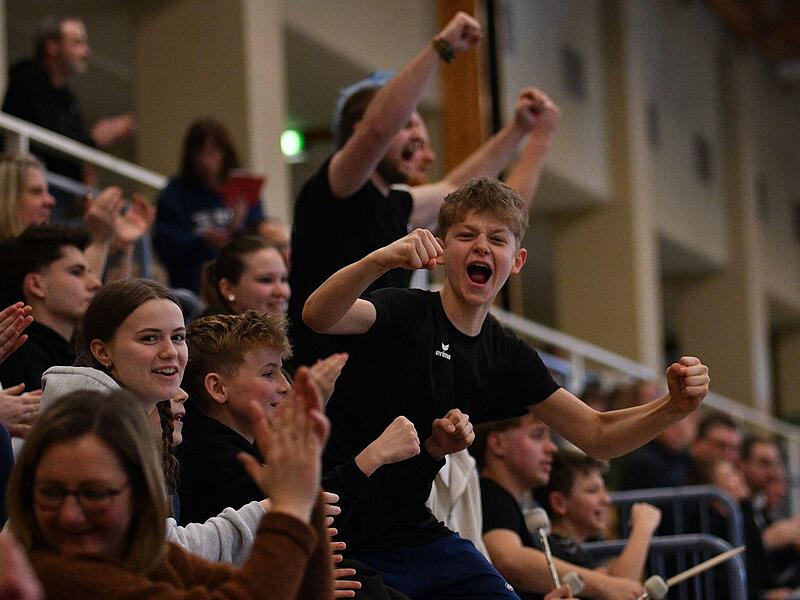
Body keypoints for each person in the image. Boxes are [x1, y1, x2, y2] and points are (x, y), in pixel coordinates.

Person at [302, 177, 710, 599]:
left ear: (517, 261)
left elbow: (597, 434)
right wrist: (381, 260)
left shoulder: (506, 355)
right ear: (442, 248)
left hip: (410, 531)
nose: (481, 246)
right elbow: (319, 315)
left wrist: (673, 409)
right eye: (466, 235)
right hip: (338, 523)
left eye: (497, 238)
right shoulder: (404, 309)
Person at [288, 10, 561, 368]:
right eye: (409, 123)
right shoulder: (337, 184)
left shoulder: (396, 202)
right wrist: (442, 46)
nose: (419, 136)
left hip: (368, 379)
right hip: (315, 369)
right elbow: (378, 130)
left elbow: (464, 192)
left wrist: (522, 131)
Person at [5, 379, 332, 599]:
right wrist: (290, 507)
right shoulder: (51, 570)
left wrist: (305, 488)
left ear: (139, 492)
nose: (70, 515)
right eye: (50, 493)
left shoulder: (135, 551)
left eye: (93, 494)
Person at [37, 278, 268, 564]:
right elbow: (159, 556)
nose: (170, 351)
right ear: (102, 351)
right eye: (149, 338)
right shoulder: (88, 431)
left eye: (178, 337)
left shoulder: (120, 422)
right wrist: (272, 511)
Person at [474, 415, 646, 600]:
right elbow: (508, 560)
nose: (551, 447)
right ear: (498, 443)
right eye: (537, 435)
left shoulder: (503, 500)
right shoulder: (491, 496)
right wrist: (607, 586)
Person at [2, 16, 135, 204]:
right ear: (52, 46)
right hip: (29, 188)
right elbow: (48, 132)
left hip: (60, 192)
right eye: (77, 42)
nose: (85, 51)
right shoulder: (27, 77)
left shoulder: (69, 99)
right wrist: (95, 139)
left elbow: (75, 148)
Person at [0, 152, 154, 281]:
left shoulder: (49, 253)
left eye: (47, 192)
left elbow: (113, 308)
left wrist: (123, 247)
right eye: (36, 192)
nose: (50, 201)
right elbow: (81, 303)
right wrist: (100, 240)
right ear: (7, 198)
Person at [153, 118, 264, 293]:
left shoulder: (242, 187)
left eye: (212, 153)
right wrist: (200, 240)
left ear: (225, 154)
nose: (205, 161)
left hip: (240, 281)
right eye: (199, 153)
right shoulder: (174, 193)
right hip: (192, 282)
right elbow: (165, 244)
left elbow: (259, 239)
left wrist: (237, 228)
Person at [0, 225, 101, 393]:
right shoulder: (20, 357)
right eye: (76, 272)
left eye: (90, 272)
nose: (96, 283)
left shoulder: (73, 355)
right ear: (36, 285)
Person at [535, 451, 661, 581]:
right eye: (592, 490)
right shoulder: (557, 550)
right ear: (559, 503)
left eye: (603, 489)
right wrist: (643, 528)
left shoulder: (586, 543)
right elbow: (619, 589)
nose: (606, 499)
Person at [200, 236, 290, 317]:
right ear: (227, 289)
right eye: (266, 280)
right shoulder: (209, 334)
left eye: (283, 279)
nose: (281, 292)